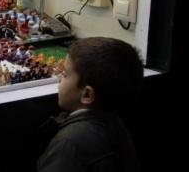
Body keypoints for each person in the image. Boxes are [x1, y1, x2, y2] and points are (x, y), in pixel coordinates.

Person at [37, 37, 143, 172]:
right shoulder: (116, 123)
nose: (58, 77)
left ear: (87, 95)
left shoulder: (68, 144)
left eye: (64, 74)